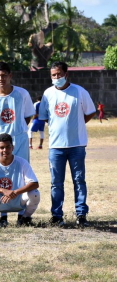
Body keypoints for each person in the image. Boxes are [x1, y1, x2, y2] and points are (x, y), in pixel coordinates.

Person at [38, 61, 96, 227]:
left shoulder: (79, 91)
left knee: (79, 180)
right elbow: (45, 117)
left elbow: (90, 112)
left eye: (59, 74)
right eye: (53, 75)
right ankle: (57, 215)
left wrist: (77, 124)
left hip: (77, 145)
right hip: (56, 146)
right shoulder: (48, 93)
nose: (56, 78)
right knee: (56, 182)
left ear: (66, 74)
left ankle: (81, 214)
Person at [0, 61, 35, 227]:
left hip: (19, 139)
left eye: (4, 75)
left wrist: (17, 131)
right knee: (1, 176)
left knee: (20, 174)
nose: (1, 79)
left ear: (10, 75)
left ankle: (22, 214)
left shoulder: (22, 94)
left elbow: (27, 116)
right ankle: (3, 215)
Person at [0, 134, 40, 227]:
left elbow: (34, 183)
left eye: (8, 147)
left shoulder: (22, 162)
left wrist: (15, 192)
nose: (5, 150)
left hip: (19, 199)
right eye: (2, 147)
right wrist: (4, 191)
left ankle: (24, 219)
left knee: (35, 193)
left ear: (12, 147)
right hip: (0, 200)